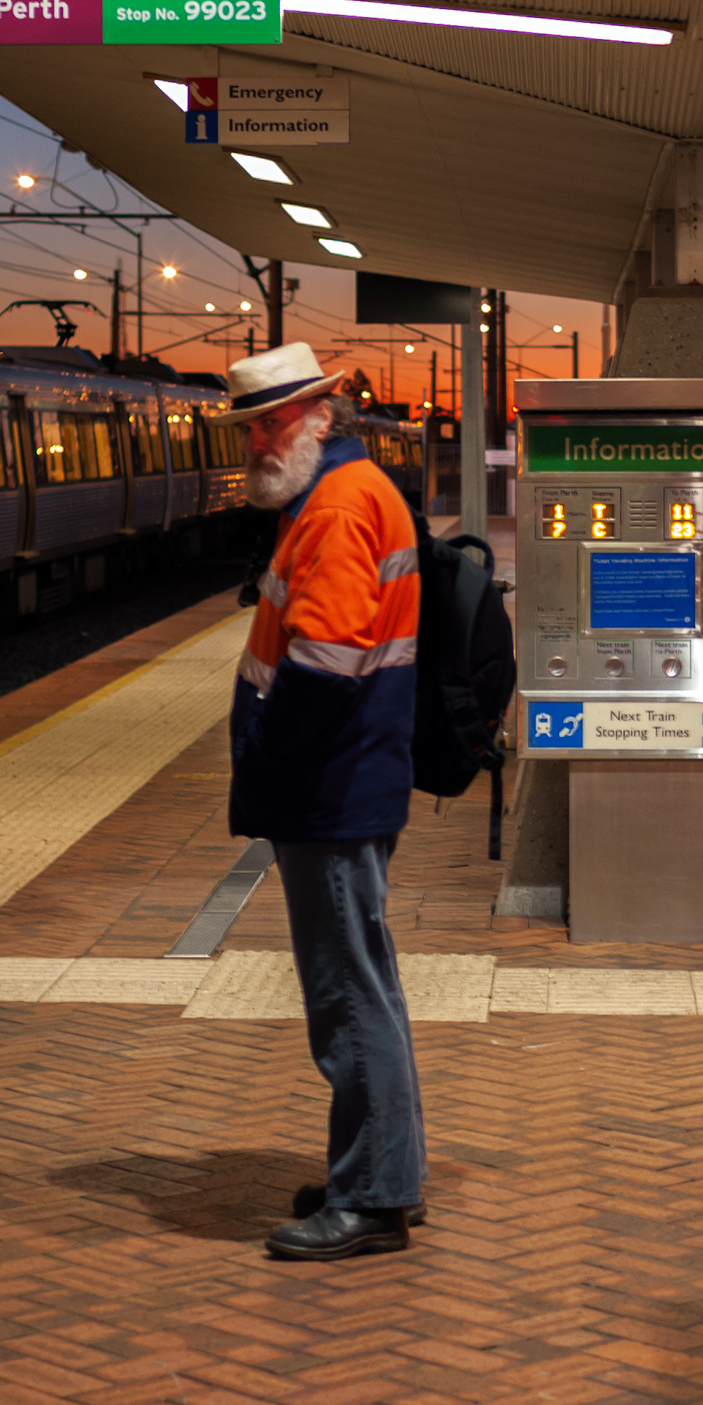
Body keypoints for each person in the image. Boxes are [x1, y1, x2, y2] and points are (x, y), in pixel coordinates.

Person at [213, 342, 428, 1260]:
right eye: (253, 426)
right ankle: (380, 1172)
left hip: (330, 785)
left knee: (347, 996)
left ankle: (372, 1197)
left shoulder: (337, 510)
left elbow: (326, 662)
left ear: (320, 417)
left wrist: (266, 754)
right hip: (349, 778)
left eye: (274, 421)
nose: (261, 441)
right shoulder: (347, 494)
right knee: (363, 986)